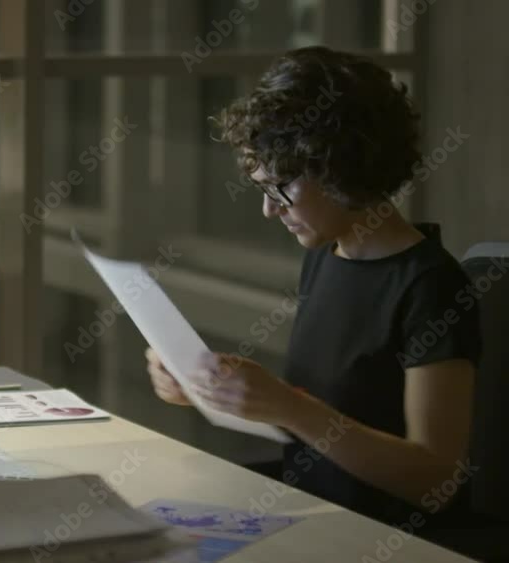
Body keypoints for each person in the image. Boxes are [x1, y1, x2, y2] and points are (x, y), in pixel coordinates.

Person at [145, 46, 481, 531]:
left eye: (279, 189)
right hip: (311, 513)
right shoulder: (324, 259)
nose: (269, 210)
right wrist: (211, 389)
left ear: (341, 170)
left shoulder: (432, 286)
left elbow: (435, 480)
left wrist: (288, 406)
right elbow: (323, 424)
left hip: (385, 538)